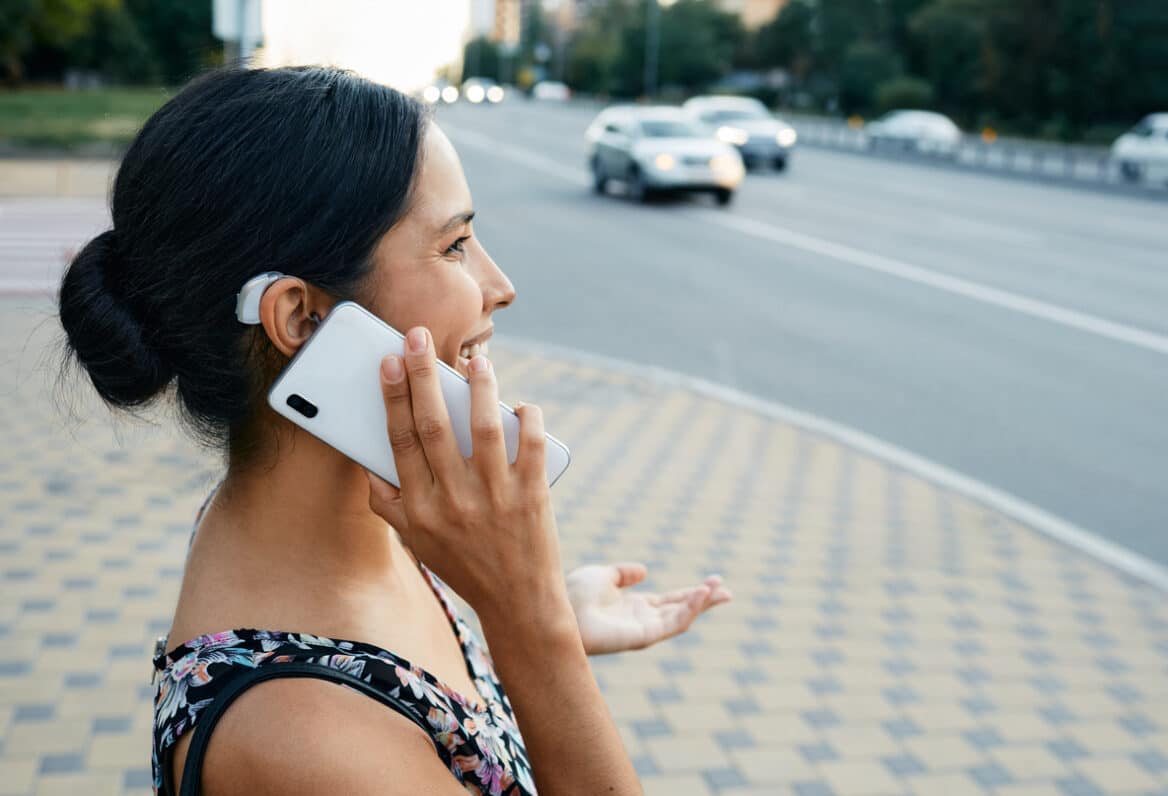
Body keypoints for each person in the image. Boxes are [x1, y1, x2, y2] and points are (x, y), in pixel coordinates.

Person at [56, 66, 731, 795]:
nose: (500, 286)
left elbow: (410, 694)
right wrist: (533, 632)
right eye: (455, 245)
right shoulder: (306, 743)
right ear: (303, 319)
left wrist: (541, 621)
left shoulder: (327, 528)